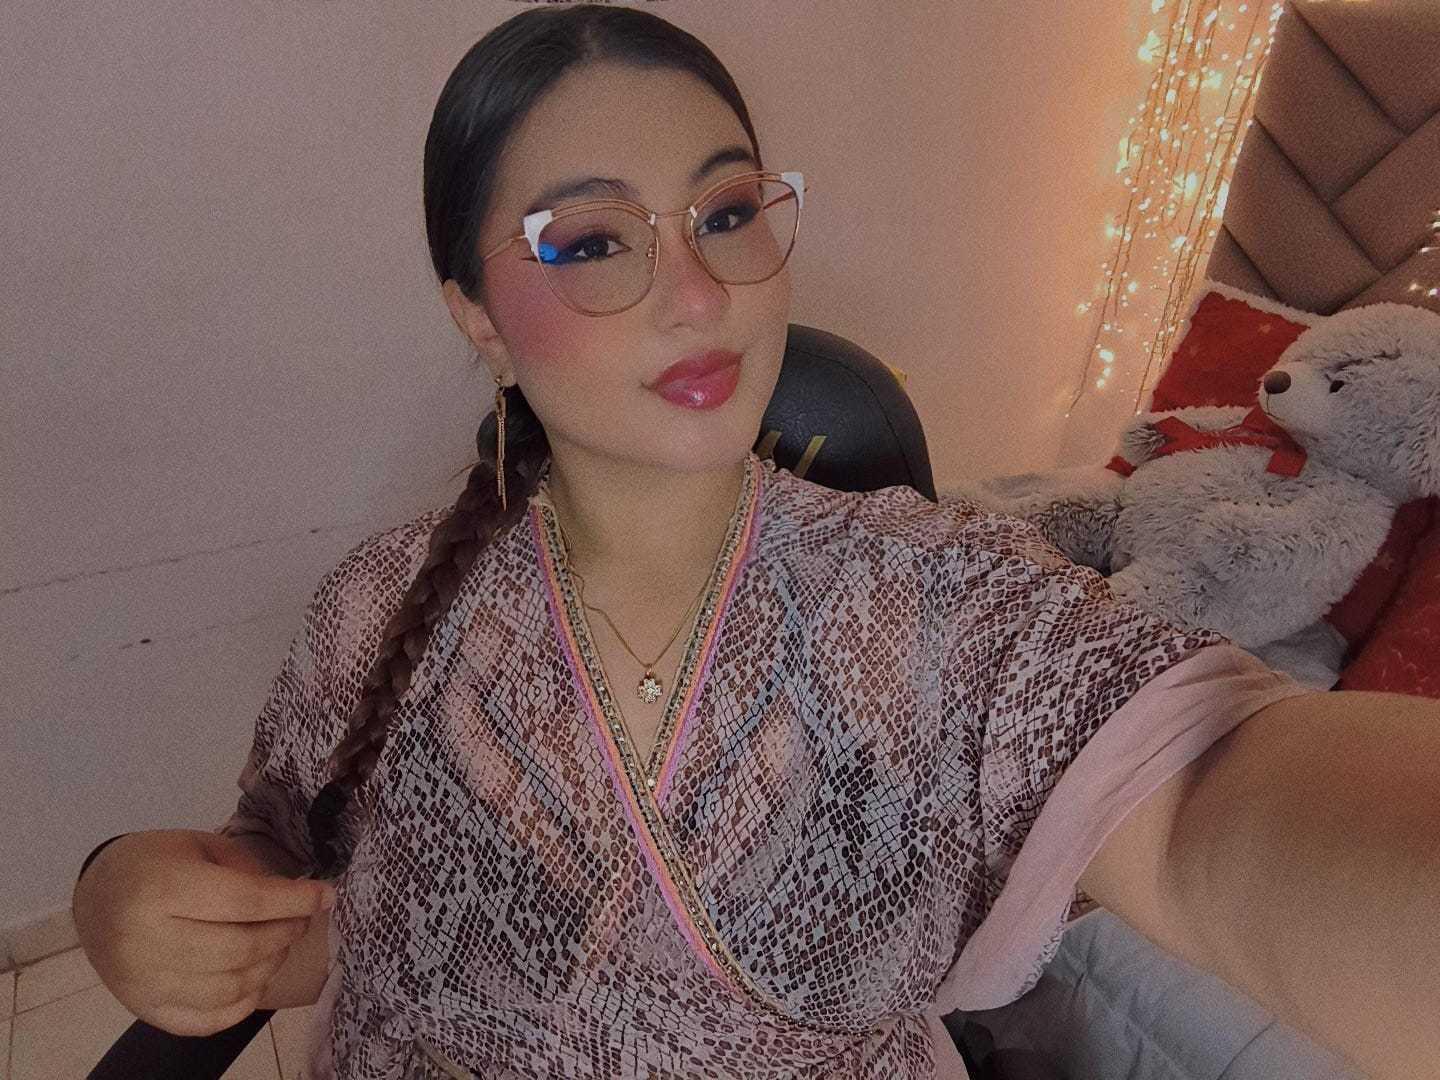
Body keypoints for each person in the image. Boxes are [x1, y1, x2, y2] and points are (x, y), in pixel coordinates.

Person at [69, 5, 1440, 1079]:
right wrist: (124, 893)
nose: (697, 292)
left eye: (726, 214)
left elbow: (1209, 790)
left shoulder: (935, 603)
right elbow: (288, 896)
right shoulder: (377, 608)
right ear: (476, 313)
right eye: (591, 241)